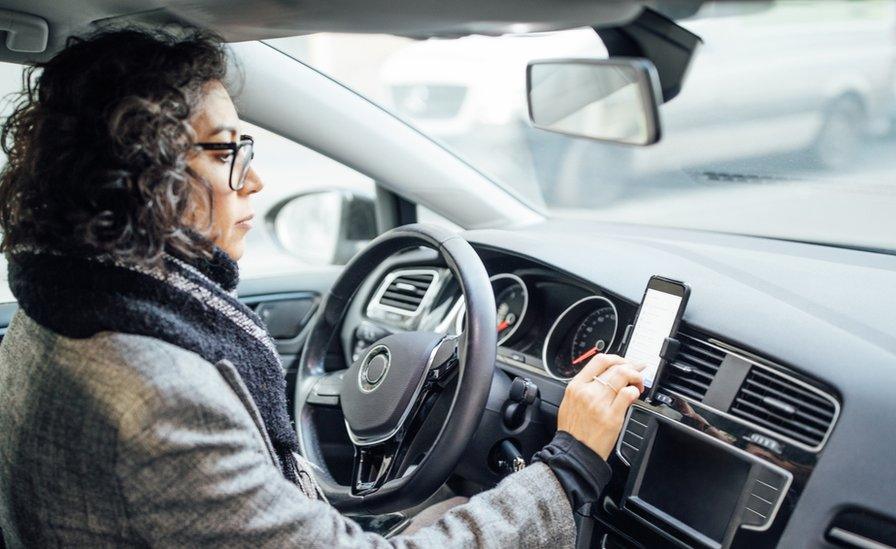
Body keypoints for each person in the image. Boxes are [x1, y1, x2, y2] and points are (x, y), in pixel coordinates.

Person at [0, 28, 646, 547]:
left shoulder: (54, 303)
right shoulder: (163, 396)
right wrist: (568, 466)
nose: (255, 183)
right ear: (144, 174)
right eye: (230, 153)